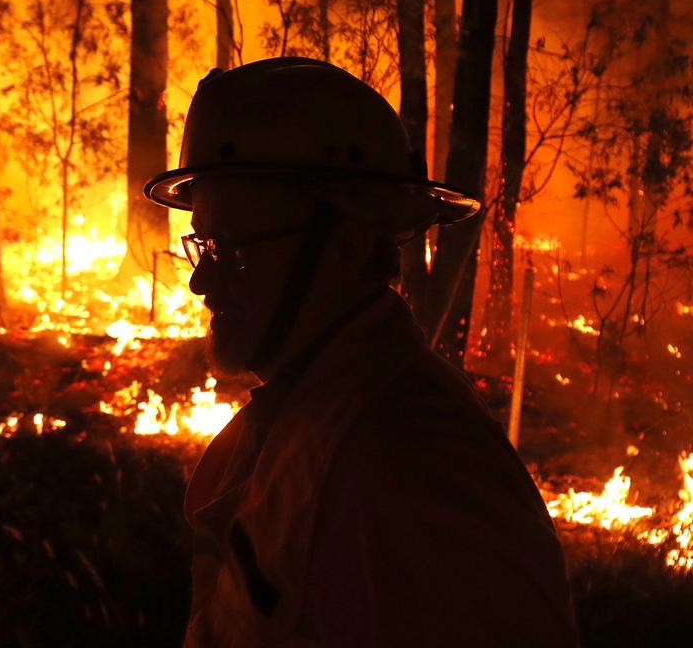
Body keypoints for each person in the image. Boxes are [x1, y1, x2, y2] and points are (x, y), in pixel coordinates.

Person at [143, 57, 578, 647]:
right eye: (205, 245)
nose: (201, 283)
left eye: (235, 249)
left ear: (347, 245)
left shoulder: (415, 465)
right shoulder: (303, 416)